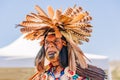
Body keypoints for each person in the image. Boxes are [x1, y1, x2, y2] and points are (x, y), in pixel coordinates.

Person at [18, 5, 106, 80]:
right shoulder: (42, 77)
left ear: (64, 44)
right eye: (47, 42)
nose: (50, 45)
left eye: (56, 41)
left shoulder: (79, 75)